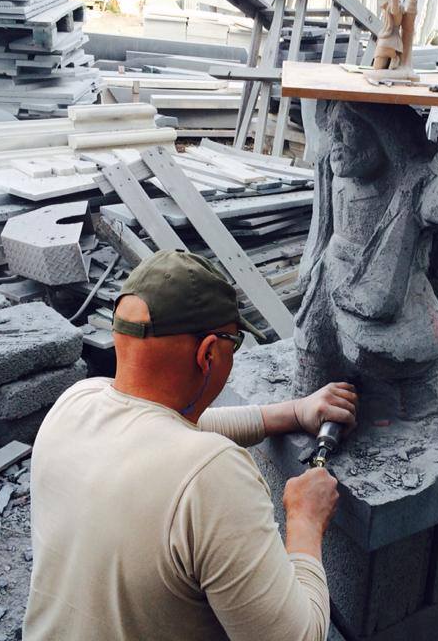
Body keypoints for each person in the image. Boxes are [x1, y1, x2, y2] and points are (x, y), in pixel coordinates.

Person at [23, 250, 359, 641]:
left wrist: (292, 413)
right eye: (233, 344)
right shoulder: (212, 475)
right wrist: (305, 520)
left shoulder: (76, 401)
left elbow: (179, 428)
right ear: (208, 354)